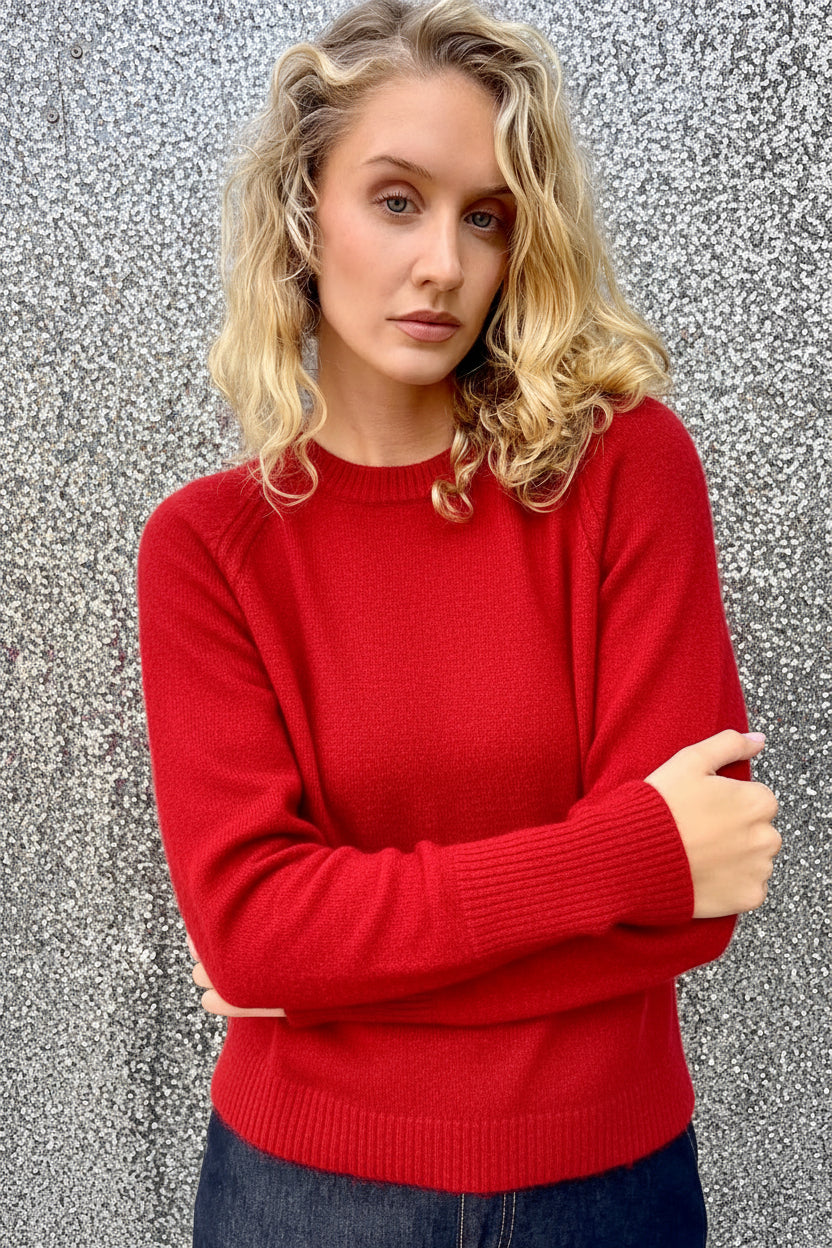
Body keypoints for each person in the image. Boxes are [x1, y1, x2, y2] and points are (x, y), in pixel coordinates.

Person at [136, 0, 781, 1243]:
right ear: (301, 211)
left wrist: (318, 975)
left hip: (611, 1185)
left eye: (484, 216)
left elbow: (701, 904)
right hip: (302, 1197)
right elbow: (259, 932)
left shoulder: (620, 469)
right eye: (394, 199)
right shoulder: (208, 549)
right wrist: (628, 853)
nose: (443, 261)